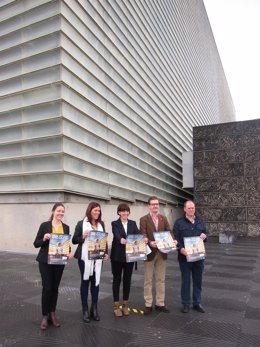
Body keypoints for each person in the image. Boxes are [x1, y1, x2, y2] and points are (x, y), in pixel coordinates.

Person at [33, 203, 71, 330]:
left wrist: (70, 251)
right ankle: (45, 316)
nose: (60, 213)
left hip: (59, 261)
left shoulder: (66, 227)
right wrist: (44, 238)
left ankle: (52, 313)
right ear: (53, 211)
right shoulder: (45, 225)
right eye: (58, 211)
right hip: (45, 261)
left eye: (62, 211)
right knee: (47, 287)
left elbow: (66, 244)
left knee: (55, 288)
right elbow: (36, 244)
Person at [72, 202, 108, 323]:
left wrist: (106, 253)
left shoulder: (101, 224)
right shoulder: (81, 223)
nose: (97, 213)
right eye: (95, 211)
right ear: (90, 211)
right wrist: (83, 235)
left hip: (97, 258)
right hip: (84, 258)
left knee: (96, 283)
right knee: (85, 282)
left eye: (98, 211)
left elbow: (104, 240)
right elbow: (74, 240)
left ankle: (94, 309)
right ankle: (85, 310)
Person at [173, 200, 207, 313]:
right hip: (185, 257)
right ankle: (185, 303)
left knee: (198, 280)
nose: (191, 210)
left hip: (198, 257)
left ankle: (197, 302)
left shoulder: (200, 221)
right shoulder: (178, 223)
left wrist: (204, 236)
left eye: (193, 208)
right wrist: (180, 249)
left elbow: (205, 235)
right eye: (189, 208)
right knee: (186, 281)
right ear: (184, 209)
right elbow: (176, 239)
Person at [140, 196, 171, 314]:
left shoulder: (163, 218)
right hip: (150, 253)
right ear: (149, 206)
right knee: (148, 280)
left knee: (161, 279)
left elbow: (169, 231)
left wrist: (171, 241)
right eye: (153, 204)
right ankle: (148, 304)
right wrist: (149, 241)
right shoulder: (143, 219)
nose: (155, 206)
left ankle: (160, 303)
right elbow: (142, 234)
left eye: (157, 204)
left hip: (162, 253)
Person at [110, 203, 141, 317]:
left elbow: (138, 234)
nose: (125, 213)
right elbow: (117, 235)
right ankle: (116, 306)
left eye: (127, 211)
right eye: (123, 211)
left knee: (127, 279)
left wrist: (143, 239)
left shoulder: (132, 223)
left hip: (130, 256)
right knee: (117, 279)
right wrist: (121, 239)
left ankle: (125, 305)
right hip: (117, 256)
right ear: (119, 212)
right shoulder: (115, 223)